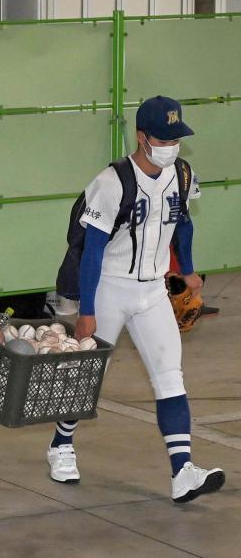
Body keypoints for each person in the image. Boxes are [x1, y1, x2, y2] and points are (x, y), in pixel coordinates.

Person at [45, 96, 224, 503]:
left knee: (170, 375)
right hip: (110, 288)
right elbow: (91, 251)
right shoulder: (111, 183)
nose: (172, 145)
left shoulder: (181, 173)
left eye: (177, 137)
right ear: (142, 138)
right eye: (164, 138)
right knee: (88, 377)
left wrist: (189, 269)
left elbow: (184, 223)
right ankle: (60, 444)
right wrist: (86, 311)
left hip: (152, 291)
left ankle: (183, 472)